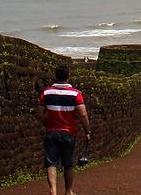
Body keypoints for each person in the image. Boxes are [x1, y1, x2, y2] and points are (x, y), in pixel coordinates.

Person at [38, 65, 91, 195]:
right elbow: (83, 114)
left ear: (55, 76)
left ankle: (53, 191)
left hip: (51, 131)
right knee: (68, 163)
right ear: (68, 76)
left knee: (51, 162)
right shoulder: (75, 93)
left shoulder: (46, 92)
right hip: (68, 132)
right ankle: (68, 191)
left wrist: (47, 123)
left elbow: (40, 113)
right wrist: (87, 131)